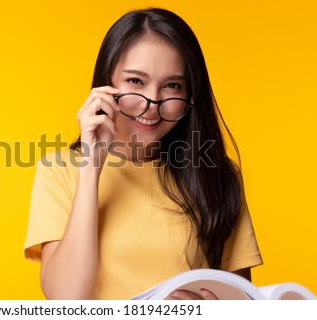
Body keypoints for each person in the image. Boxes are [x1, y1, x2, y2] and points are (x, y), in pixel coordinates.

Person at [23, 7, 263, 300]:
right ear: (106, 83)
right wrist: (91, 168)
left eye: (172, 85)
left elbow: (244, 302)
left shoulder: (217, 175)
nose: (152, 104)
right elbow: (66, 300)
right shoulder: (59, 170)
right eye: (136, 81)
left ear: (190, 97)